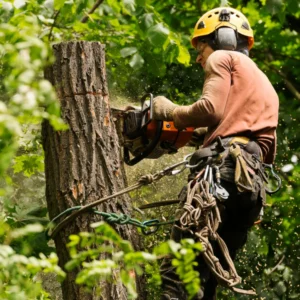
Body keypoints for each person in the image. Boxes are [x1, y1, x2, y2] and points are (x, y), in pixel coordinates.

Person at [152, 7, 279, 300]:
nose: (199, 57)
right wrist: (204, 137)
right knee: (205, 278)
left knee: (179, 274)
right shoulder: (265, 84)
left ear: (224, 38)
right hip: (249, 192)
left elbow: (210, 109)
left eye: (201, 47)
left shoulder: (223, 57)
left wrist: (171, 111)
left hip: (218, 178)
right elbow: (263, 151)